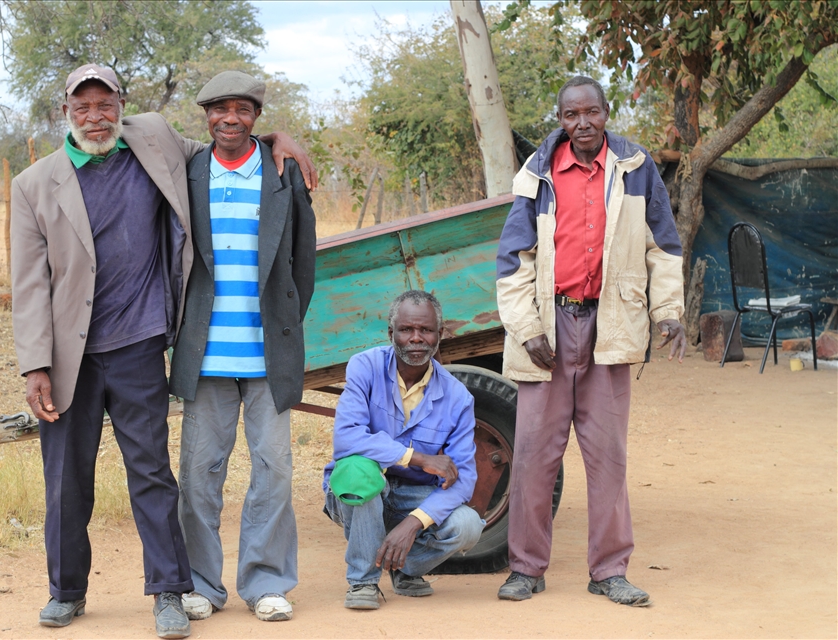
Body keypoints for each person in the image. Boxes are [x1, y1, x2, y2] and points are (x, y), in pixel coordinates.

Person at [10, 63, 315, 639]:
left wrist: (279, 139)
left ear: (122, 105)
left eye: (105, 105)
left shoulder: (151, 139)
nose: (96, 118)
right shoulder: (33, 185)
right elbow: (28, 286)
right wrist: (35, 365)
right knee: (66, 480)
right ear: (66, 113)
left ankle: (170, 593)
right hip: (69, 357)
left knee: (151, 473)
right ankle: (66, 591)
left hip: (141, 346)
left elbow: (231, 136)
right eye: (83, 108)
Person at [495, 76, 687, 607]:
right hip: (548, 332)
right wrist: (528, 328)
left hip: (610, 326)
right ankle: (526, 569)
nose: (582, 123)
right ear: (559, 120)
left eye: (591, 113)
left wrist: (668, 310)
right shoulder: (537, 173)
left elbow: (663, 245)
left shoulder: (635, 168)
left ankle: (609, 571)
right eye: (571, 115)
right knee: (534, 455)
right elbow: (514, 260)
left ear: (606, 112)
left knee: (608, 457)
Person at [167, 70, 316, 624]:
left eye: (244, 109)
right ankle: (202, 584)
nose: (231, 118)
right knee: (200, 472)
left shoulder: (283, 173)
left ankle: (268, 582)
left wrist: (282, 325)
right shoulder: (187, 172)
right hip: (203, 354)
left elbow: (304, 262)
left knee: (273, 469)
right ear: (205, 115)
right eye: (219, 109)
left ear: (257, 117)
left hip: (266, 354)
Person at [322, 290, 484, 610]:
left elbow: (463, 479)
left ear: (441, 335)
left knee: (468, 526)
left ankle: (404, 568)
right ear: (390, 333)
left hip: (412, 495)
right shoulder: (364, 367)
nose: (416, 339)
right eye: (407, 330)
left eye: (425, 330)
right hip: (360, 490)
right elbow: (346, 439)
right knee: (360, 471)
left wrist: (413, 523)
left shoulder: (458, 397)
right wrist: (418, 457)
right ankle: (363, 580)